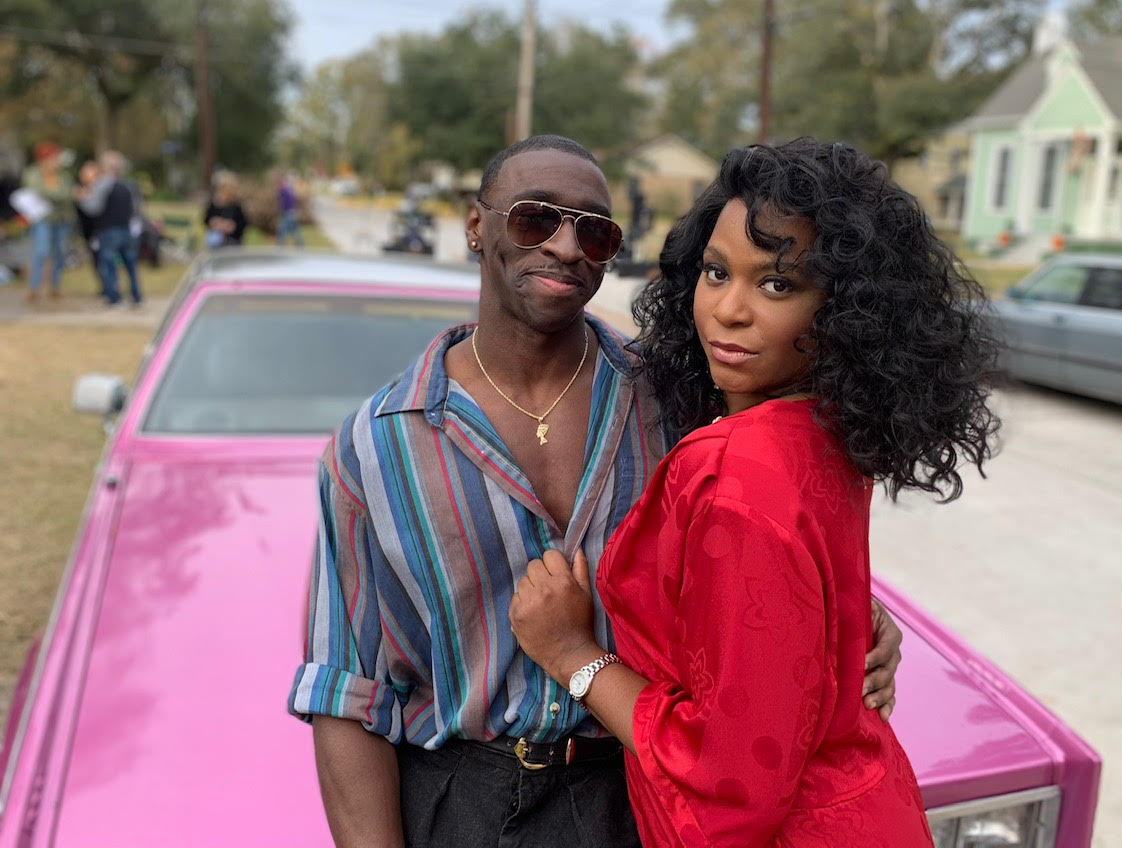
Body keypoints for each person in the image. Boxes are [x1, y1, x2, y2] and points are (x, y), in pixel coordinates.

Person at [288, 135, 904, 848]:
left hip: (642, 789)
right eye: (533, 218)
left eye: (595, 230)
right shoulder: (373, 448)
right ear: (476, 224)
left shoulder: (681, 400)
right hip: (463, 801)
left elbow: (766, 547)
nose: (565, 245)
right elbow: (347, 693)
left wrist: (853, 620)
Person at [509, 139, 1001, 847]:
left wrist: (570, 654)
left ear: (846, 311)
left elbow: (728, 792)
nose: (729, 311)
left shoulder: (732, 470)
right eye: (716, 272)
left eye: (777, 285)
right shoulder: (824, 434)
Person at [80, 152, 143, 307]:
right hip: (126, 230)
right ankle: (136, 296)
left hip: (108, 230)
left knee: (108, 264)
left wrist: (82, 199)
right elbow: (136, 209)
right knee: (130, 264)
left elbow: (93, 208)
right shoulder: (129, 185)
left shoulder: (102, 185)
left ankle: (113, 297)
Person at [21, 141, 76, 303]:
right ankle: (34, 288)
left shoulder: (64, 176)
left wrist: (52, 194)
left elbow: (67, 194)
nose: (56, 160)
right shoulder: (32, 173)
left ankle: (55, 287)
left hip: (62, 219)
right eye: (53, 157)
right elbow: (37, 191)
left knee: (59, 253)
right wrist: (56, 194)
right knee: (41, 252)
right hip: (42, 220)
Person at [204, 172, 247, 248]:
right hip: (216, 241)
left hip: (232, 242)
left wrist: (232, 226)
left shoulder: (236, 207)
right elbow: (206, 220)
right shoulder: (214, 205)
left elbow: (242, 225)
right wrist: (214, 223)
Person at [275, 171, 304, 247]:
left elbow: (284, 204)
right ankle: (300, 245)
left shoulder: (284, 191)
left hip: (288, 213)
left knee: (282, 230)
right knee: (295, 229)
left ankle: (280, 245)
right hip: (292, 212)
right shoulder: (288, 189)